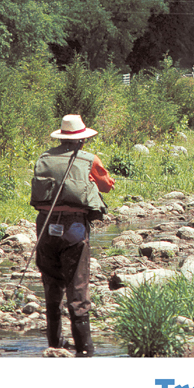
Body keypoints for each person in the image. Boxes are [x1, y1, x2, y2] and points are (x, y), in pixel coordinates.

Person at [30, 114, 115, 357]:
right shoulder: (89, 159)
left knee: (51, 282)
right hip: (74, 228)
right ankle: (85, 351)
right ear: (82, 139)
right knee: (77, 286)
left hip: (45, 226)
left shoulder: (45, 157)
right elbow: (106, 185)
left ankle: (54, 344)